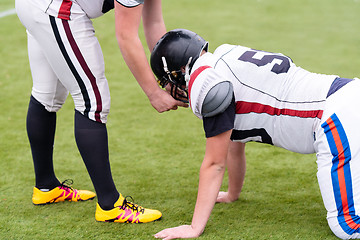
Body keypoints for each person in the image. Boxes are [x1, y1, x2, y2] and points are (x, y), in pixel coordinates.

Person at [150, 29, 360, 239]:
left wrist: (194, 227)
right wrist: (233, 194)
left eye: (165, 82)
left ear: (178, 71)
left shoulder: (208, 83)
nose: (168, 89)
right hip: (348, 93)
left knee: (347, 225)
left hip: (335, 119)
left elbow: (215, 163)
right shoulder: (224, 56)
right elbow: (234, 143)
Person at [15, 0, 187, 224]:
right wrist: (154, 93)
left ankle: (46, 186)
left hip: (34, 5)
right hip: (54, 6)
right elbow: (126, 37)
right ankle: (110, 205)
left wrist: (169, 76)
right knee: (92, 101)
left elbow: (153, 22)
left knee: (46, 94)